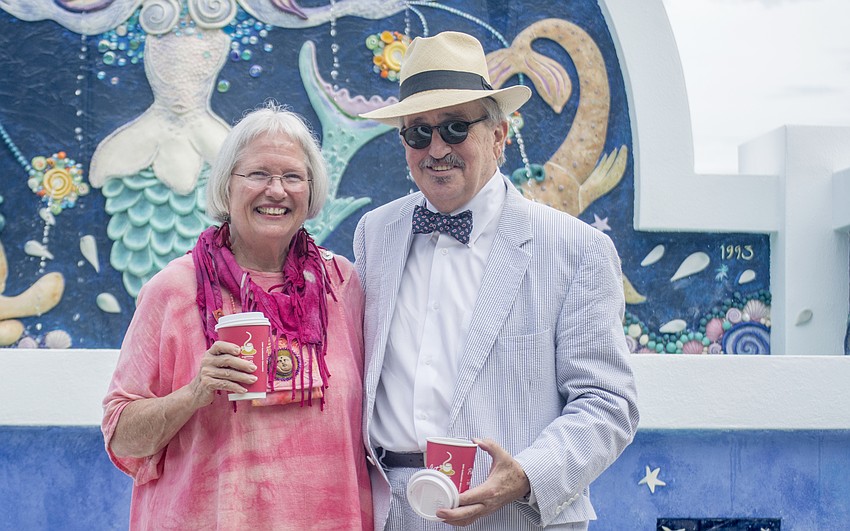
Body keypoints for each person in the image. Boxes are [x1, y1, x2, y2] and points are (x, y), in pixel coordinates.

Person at [355, 31, 639, 530]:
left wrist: (526, 475)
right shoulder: (374, 234)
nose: (436, 147)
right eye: (418, 132)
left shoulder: (577, 249)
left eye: (455, 127)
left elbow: (608, 402)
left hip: (514, 516)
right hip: (392, 514)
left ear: (499, 136)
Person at [101, 102, 373, 530]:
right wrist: (194, 393)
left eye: (292, 177)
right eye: (259, 174)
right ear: (227, 188)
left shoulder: (344, 286)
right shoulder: (174, 290)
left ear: (312, 190)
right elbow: (121, 436)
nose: (277, 190)